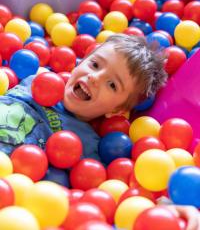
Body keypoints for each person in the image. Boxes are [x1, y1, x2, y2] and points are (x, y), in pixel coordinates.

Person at [0, 33, 199, 229]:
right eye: (95, 64)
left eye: (112, 84)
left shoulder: (89, 147)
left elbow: (119, 199)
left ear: (116, 110)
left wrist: (170, 208)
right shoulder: (37, 78)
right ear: (80, 62)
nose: (95, 77)